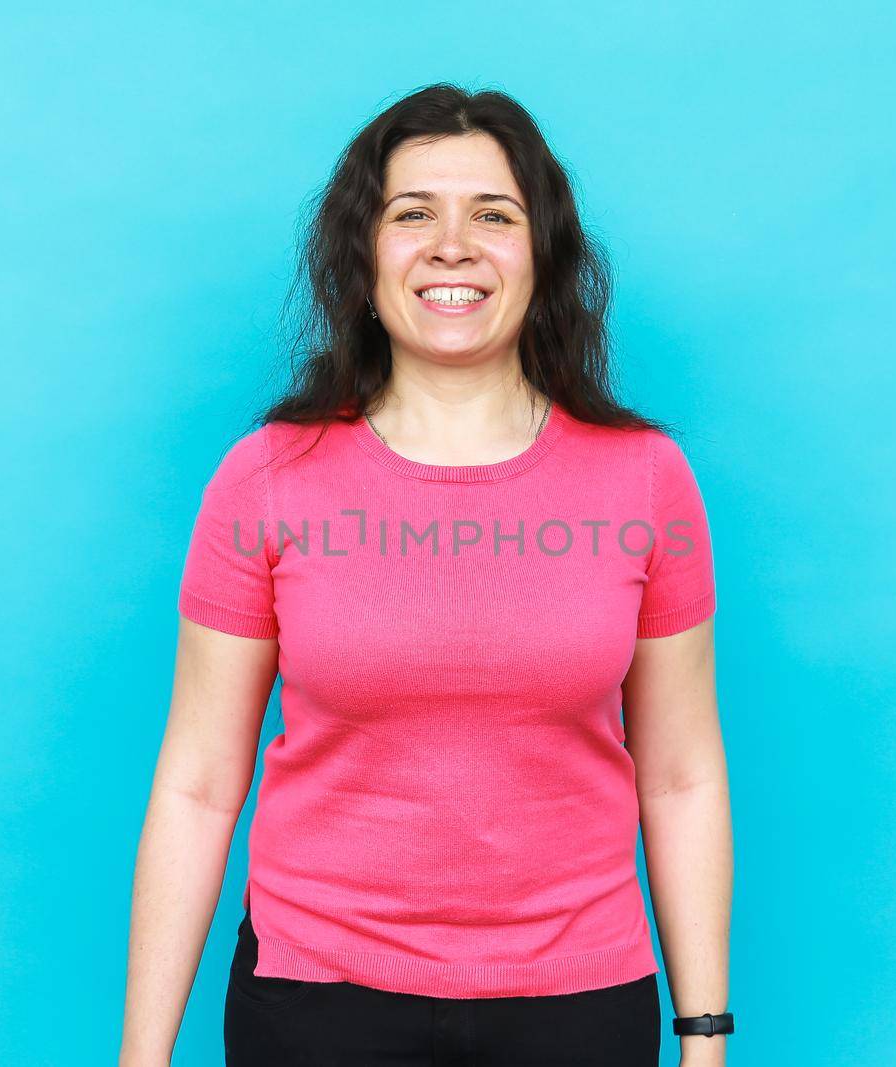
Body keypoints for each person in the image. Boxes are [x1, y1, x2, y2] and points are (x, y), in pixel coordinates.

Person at [120, 83, 733, 1067]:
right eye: (413, 215)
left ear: (543, 256)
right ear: (364, 258)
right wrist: (139, 1056)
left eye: (494, 215)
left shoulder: (646, 479)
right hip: (315, 1005)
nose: (454, 244)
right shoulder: (268, 478)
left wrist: (703, 1036)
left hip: (578, 1006)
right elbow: (196, 784)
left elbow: (681, 773)